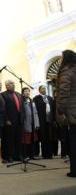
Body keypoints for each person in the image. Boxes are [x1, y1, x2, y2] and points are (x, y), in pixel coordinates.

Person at [57, 49, 76, 177]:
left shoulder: (67, 71)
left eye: (61, 57)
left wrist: (60, 110)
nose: (60, 60)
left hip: (72, 111)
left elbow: (64, 92)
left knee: (73, 142)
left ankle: (74, 171)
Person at [1, 80, 23, 162]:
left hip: (19, 120)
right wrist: (6, 119)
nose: (13, 84)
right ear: (6, 86)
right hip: (10, 120)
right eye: (10, 83)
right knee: (9, 139)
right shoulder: (3, 95)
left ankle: (18, 155)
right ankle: (9, 156)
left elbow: (22, 108)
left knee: (18, 139)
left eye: (13, 83)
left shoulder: (18, 94)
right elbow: (3, 109)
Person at [33, 85, 54, 159]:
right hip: (41, 121)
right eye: (42, 88)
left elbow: (53, 109)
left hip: (49, 121)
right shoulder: (36, 99)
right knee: (43, 137)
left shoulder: (50, 98)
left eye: (45, 88)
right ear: (39, 90)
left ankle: (50, 153)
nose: (44, 89)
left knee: (50, 137)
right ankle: (44, 154)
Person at [21, 87, 40, 159]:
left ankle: (32, 155)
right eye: (25, 91)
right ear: (23, 93)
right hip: (26, 123)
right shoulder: (21, 101)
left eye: (28, 91)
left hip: (33, 123)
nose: (27, 92)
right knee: (26, 140)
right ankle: (25, 155)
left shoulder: (32, 101)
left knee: (32, 140)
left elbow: (35, 112)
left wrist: (37, 123)